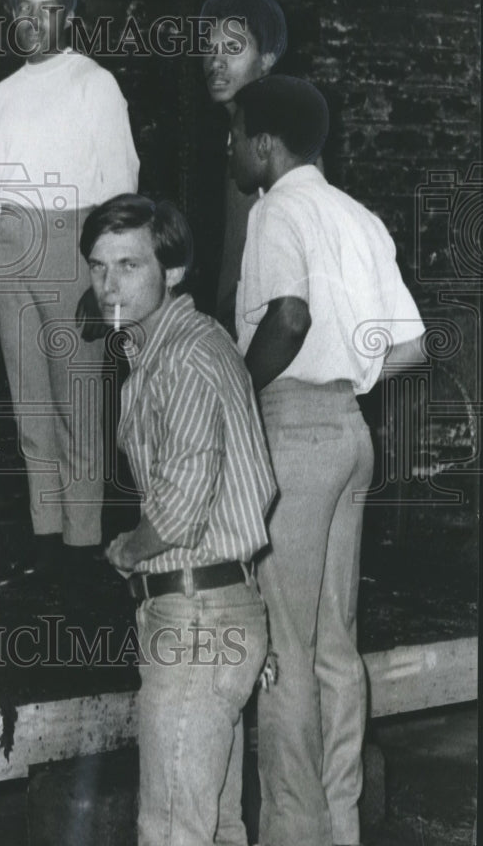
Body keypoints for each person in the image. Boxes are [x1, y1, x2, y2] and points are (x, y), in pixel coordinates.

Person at [230, 76, 425, 846]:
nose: (231, 147)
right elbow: (408, 344)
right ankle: (339, 827)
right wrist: (347, 374)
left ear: (267, 144)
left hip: (293, 431)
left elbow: (288, 315)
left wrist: (234, 398)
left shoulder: (274, 209)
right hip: (350, 431)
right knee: (336, 644)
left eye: (238, 134)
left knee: (283, 645)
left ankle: (291, 832)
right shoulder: (358, 216)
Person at [86, 194, 275, 846]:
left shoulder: (180, 362)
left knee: (173, 831)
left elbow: (182, 508)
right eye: (98, 265)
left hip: (197, 618)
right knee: (214, 828)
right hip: (221, 606)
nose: (108, 283)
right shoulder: (192, 344)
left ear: (171, 272)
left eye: (129, 265)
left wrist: (129, 549)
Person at [0, 0, 139, 586]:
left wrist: (109, 281)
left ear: (68, 15)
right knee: (30, 405)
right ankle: (46, 537)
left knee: (80, 403)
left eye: (45, 8)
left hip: (75, 244)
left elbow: (122, 190)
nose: (30, 20)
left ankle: (83, 542)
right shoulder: (1, 93)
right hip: (14, 245)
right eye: (21, 7)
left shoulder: (94, 83)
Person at [199, 0, 288, 333]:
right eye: (209, 49)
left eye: (233, 49)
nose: (215, 62)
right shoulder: (235, 134)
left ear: (266, 59)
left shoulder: (276, 136)